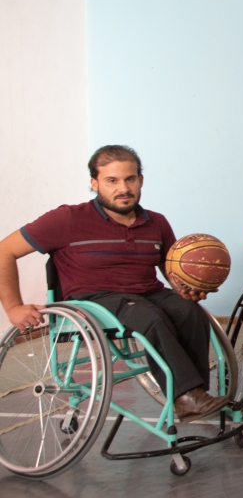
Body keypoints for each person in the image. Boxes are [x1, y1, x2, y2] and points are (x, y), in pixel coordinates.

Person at [0, 145, 228, 423]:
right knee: (150, 317)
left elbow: (171, 270)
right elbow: (5, 250)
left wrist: (187, 287)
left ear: (140, 180)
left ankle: (192, 397)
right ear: (94, 184)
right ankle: (187, 395)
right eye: (112, 181)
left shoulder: (156, 222)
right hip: (91, 299)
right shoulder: (66, 219)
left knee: (189, 312)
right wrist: (13, 307)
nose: (123, 188)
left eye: (130, 179)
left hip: (147, 292)